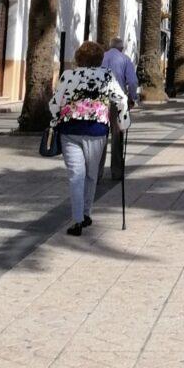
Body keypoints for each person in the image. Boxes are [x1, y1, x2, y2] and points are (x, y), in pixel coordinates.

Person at [49, 41, 130, 237]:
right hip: (97, 131)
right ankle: (85, 213)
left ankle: (78, 220)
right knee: (91, 175)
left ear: (79, 58)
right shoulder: (106, 76)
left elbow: (54, 104)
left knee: (76, 175)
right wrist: (123, 121)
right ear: (99, 59)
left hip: (70, 130)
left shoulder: (68, 76)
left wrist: (57, 116)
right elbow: (122, 100)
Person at [101, 36, 139, 181]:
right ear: (121, 48)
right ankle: (116, 172)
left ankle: (97, 173)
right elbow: (133, 81)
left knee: (101, 137)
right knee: (117, 137)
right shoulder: (125, 59)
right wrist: (132, 97)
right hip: (118, 102)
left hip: (102, 102)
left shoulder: (101, 57)